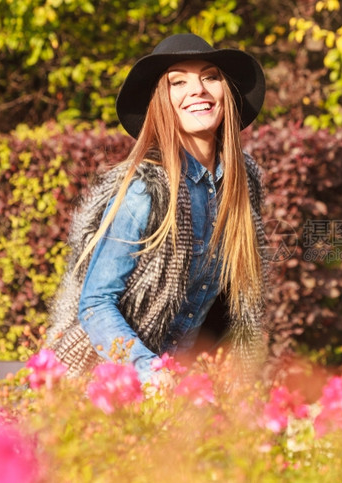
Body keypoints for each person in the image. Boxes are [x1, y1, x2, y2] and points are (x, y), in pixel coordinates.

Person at [45, 33, 269, 387]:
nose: (198, 90)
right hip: (106, 383)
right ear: (162, 102)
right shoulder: (146, 189)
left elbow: (232, 315)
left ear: (227, 93)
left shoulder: (240, 188)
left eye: (210, 77)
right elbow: (96, 304)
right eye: (177, 82)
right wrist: (150, 373)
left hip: (181, 393)